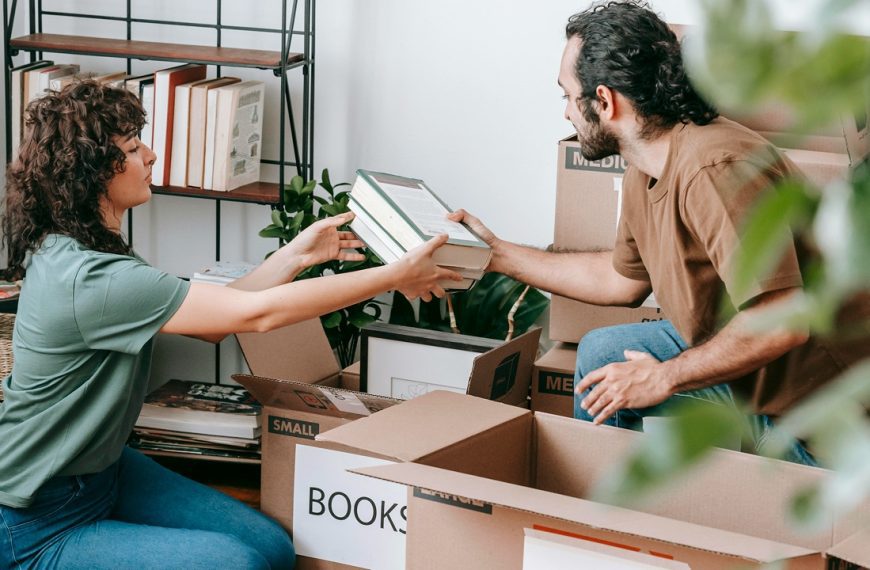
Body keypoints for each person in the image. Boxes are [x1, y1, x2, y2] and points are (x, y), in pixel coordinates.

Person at [0, 80, 460, 569]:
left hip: (103, 473)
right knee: (238, 565)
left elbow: (215, 319)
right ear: (92, 173)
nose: (151, 156)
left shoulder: (88, 249)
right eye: (133, 148)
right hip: (37, 519)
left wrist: (294, 256)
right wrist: (394, 275)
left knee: (271, 549)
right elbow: (255, 316)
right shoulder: (92, 277)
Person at [450, 0, 868, 465]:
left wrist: (664, 377)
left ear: (605, 101)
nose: (567, 113)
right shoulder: (647, 163)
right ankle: (601, 519)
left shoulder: (713, 169)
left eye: (568, 96)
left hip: (819, 407)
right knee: (605, 355)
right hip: (756, 373)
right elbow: (619, 280)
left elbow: (784, 322)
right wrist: (495, 253)